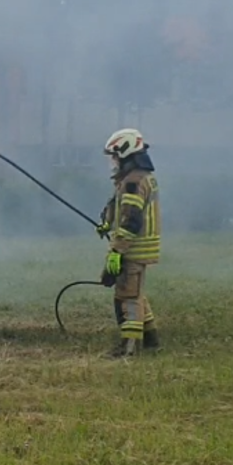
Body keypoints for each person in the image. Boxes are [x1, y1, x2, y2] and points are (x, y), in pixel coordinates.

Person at [96, 128, 162, 358]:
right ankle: (152, 339)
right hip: (138, 247)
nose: (112, 162)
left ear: (125, 154)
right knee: (137, 292)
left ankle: (129, 348)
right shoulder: (137, 178)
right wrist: (106, 222)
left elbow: (131, 221)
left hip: (133, 249)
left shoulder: (133, 182)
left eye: (114, 156)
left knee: (127, 296)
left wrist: (116, 251)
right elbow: (118, 204)